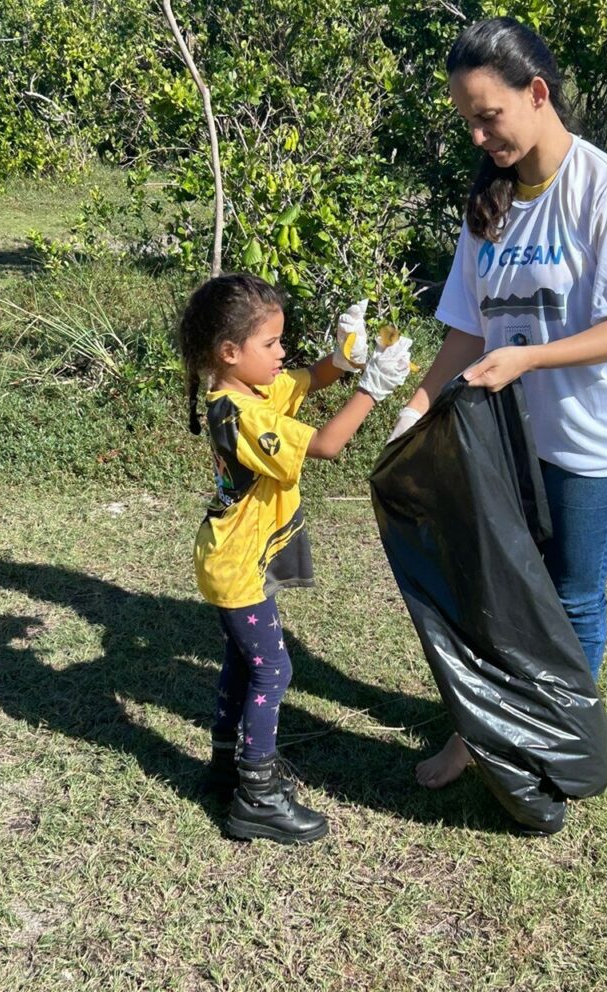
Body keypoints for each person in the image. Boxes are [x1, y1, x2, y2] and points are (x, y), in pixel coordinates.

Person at [387, 18, 607, 790]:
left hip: (595, 442)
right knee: (502, 591)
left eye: (488, 115)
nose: (477, 135)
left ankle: (557, 745)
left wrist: (531, 357)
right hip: (512, 440)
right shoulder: (491, 201)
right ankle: (480, 734)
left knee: (569, 595)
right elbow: (465, 333)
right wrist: (413, 415)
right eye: (466, 121)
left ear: (536, 93)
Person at [179, 272, 411, 843]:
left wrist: (346, 357)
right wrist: (373, 391)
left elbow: (308, 380)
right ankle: (256, 794)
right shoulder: (239, 415)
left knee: (243, 660)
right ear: (229, 353)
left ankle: (225, 766)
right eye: (272, 344)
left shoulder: (251, 389)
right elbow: (329, 445)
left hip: (247, 556)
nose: (283, 353)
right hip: (238, 566)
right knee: (273, 669)